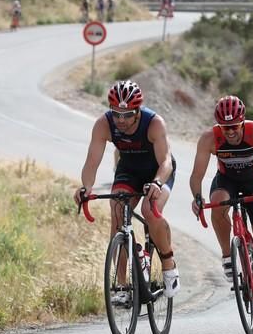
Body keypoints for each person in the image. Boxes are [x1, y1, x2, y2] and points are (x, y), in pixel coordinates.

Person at [73, 80, 180, 298]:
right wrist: (86, 187)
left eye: (128, 114)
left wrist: (158, 183)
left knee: (150, 211)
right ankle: (122, 286)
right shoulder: (103, 124)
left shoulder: (154, 123)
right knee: (117, 212)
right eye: (116, 114)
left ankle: (169, 263)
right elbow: (91, 162)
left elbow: (166, 162)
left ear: (138, 111)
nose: (121, 120)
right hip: (129, 170)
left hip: (158, 171)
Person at [189, 95, 253, 319]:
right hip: (227, 180)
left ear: (242, 121)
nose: (230, 132)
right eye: (225, 127)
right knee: (218, 204)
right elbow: (196, 175)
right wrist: (197, 197)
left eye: (234, 127)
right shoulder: (209, 138)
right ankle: (227, 257)